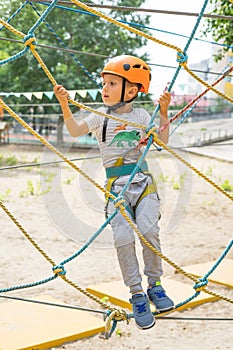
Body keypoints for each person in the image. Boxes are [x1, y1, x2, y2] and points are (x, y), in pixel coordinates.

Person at [54, 55, 174, 330]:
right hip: (116, 188)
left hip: (143, 184)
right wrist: (65, 104)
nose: (104, 89)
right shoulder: (100, 116)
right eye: (104, 83)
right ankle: (137, 293)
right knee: (122, 236)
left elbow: (163, 140)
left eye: (111, 83)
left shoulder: (143, 115)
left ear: (131, 91)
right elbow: (74, 130)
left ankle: (154, 284)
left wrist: (164, 112)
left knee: (148, 230)